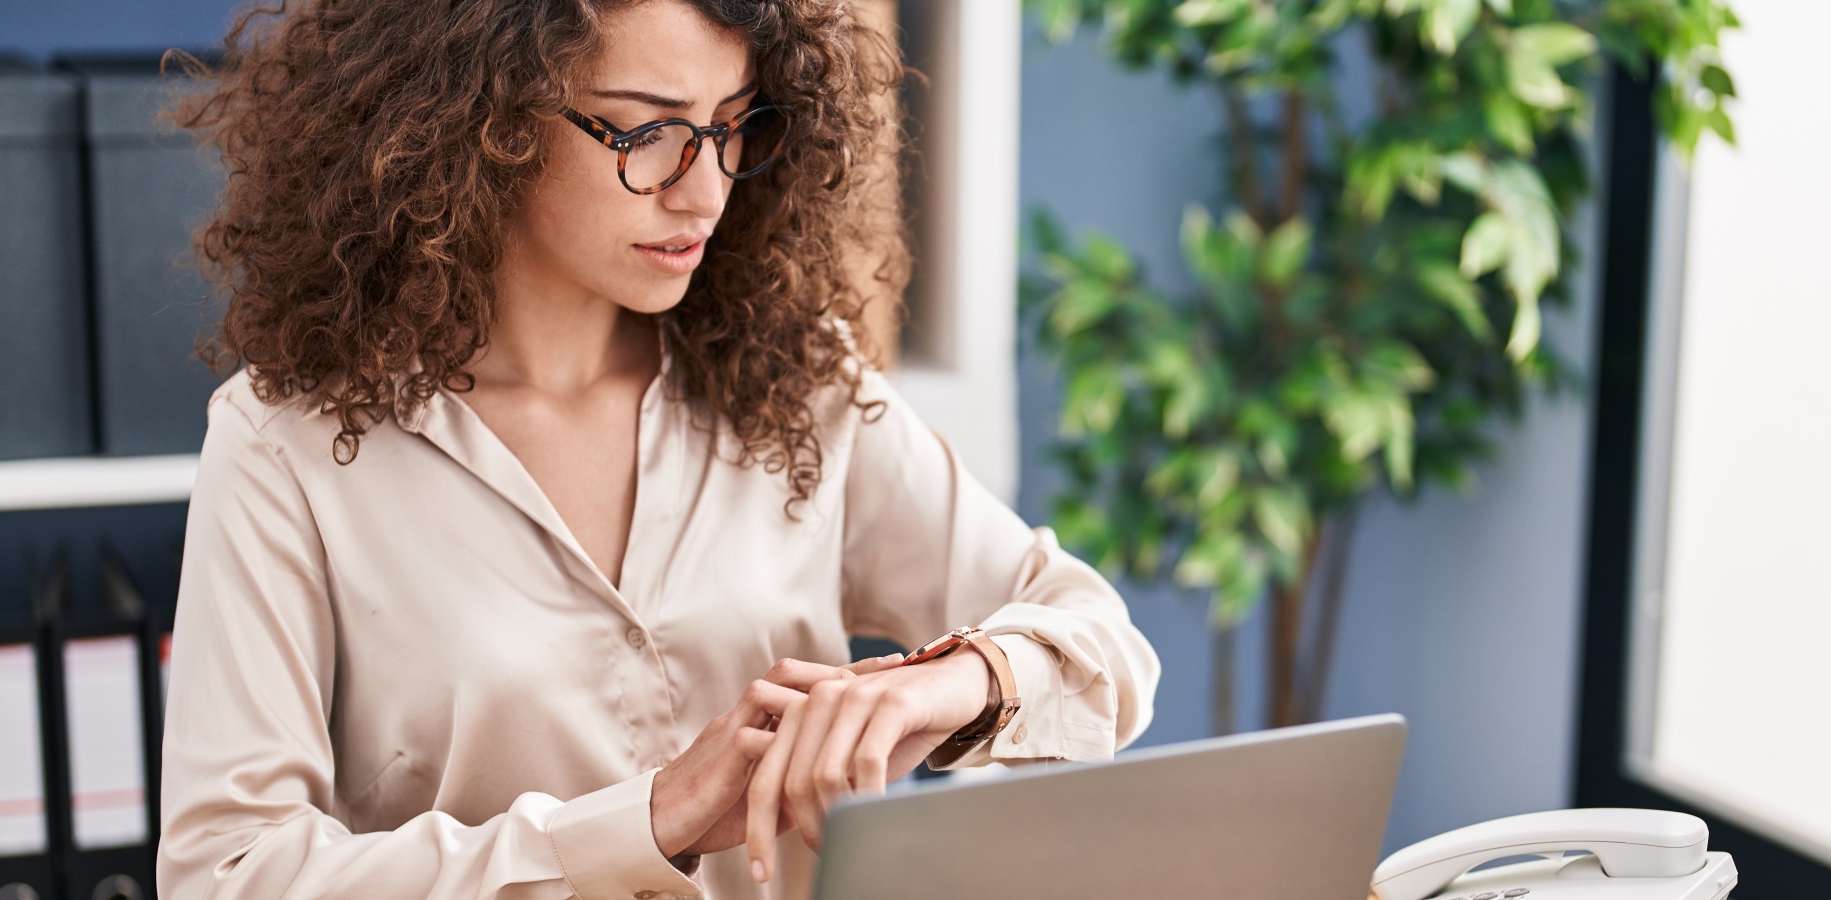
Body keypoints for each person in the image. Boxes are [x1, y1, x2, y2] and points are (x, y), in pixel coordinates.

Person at [156, 0, 1161, 898]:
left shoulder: (799, 385)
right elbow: (227, 875)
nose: (703, 193)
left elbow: (1099, 647)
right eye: (644, 130)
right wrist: (645, 822)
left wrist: (952, 680)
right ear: (477, 117)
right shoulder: (286, 443)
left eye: (730, 127)